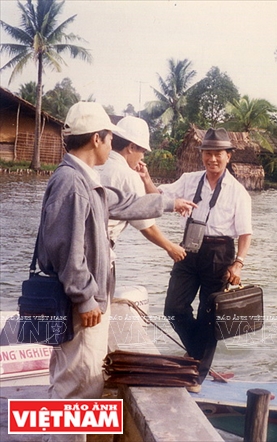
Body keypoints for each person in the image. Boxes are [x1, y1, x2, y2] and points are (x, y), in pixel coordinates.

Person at [36, 102, 195, 441]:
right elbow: (65, 249)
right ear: (97, 139)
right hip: (81, 303)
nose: (113, 145)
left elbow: (121, 206)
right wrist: (85, 298)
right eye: (110, 137)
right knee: (77, 382)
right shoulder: (71, 182)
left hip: (87, 297)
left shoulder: (83, 178)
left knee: (82, 378)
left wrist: (168, 202)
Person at [159, 127, 253, 392]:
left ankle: (195, 375)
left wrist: (238, 263)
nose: (212, 159)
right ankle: (198, 355)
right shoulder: (189, 180)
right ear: (202, 155)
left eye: (218, 154)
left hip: (219, 254)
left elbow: (246, 234)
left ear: (228, 157)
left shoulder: (238, 192)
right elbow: (160, 194)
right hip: (188, 249)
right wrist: (143, 177)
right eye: (208, 153)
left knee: (209, 315)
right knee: (174, 308)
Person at [96, 116, 185, 262]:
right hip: (100, 248)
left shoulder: (97, 163)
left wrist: (145, 180)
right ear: (131, 147)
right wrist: (170, 247)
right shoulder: (128, 175)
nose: (142, 157)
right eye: (142, 151)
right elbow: (146, 224)